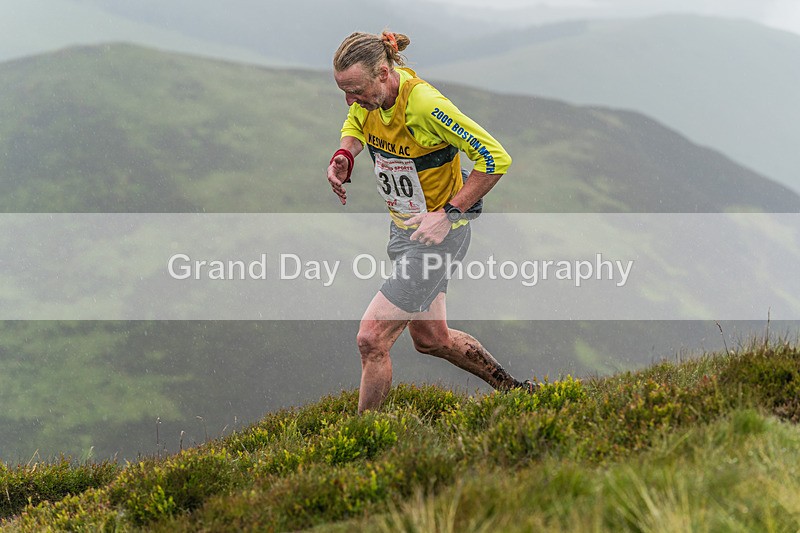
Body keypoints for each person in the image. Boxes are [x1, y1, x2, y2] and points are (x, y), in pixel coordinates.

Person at [326, 30, 533, 413]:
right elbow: (355, 122)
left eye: (355, 89)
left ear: (385, 73)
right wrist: (346, 154)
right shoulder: (368, 101)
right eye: (344, 91)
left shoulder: (422, 104)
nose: (349, 100)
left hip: (437, 238)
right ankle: (516, 391)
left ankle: (363, 441)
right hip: (404, 231)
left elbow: (495, 158)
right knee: (431, 338)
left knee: (371, 339)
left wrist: (448, 213)